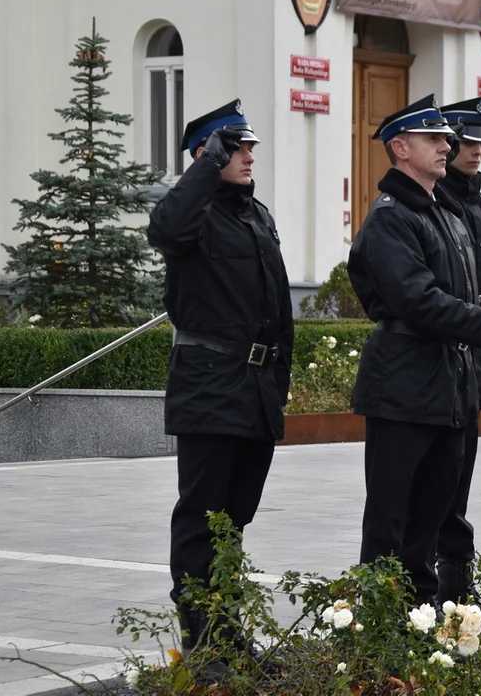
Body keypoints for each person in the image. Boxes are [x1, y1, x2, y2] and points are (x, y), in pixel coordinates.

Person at [347, 94, 481, 610]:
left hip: (446, 385)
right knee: (391, 523)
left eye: (447, 137)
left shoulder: (443, 212)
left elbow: (473, 292)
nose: (447, 145)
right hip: (405, 386)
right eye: (433, 138)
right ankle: (378, 632)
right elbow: (418, 302)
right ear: (400, 148)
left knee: (430, 518)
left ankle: (421, 625)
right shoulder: (392, 218)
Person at [146, 99, 295, 656]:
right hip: (209, 384)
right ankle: (203, 640)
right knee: (202, 518)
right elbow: (163, 229)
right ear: (208, 153)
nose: (249, 155)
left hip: (255, 388)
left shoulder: (255, 216)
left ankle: (227, 628)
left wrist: (279, 380)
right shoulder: (193, 215)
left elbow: (279, 309)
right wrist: (205, 168)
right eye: (237, 145)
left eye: (251, 145)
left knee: (235, 517)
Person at [432, 97, 481, 614]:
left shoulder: (478, 203)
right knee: (439, 479)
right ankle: (438, 591)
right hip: (444, 352)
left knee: (460, 479)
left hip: (475, 351)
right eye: (470, 141)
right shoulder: (438, 201)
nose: (478, 150)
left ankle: (457, 589)